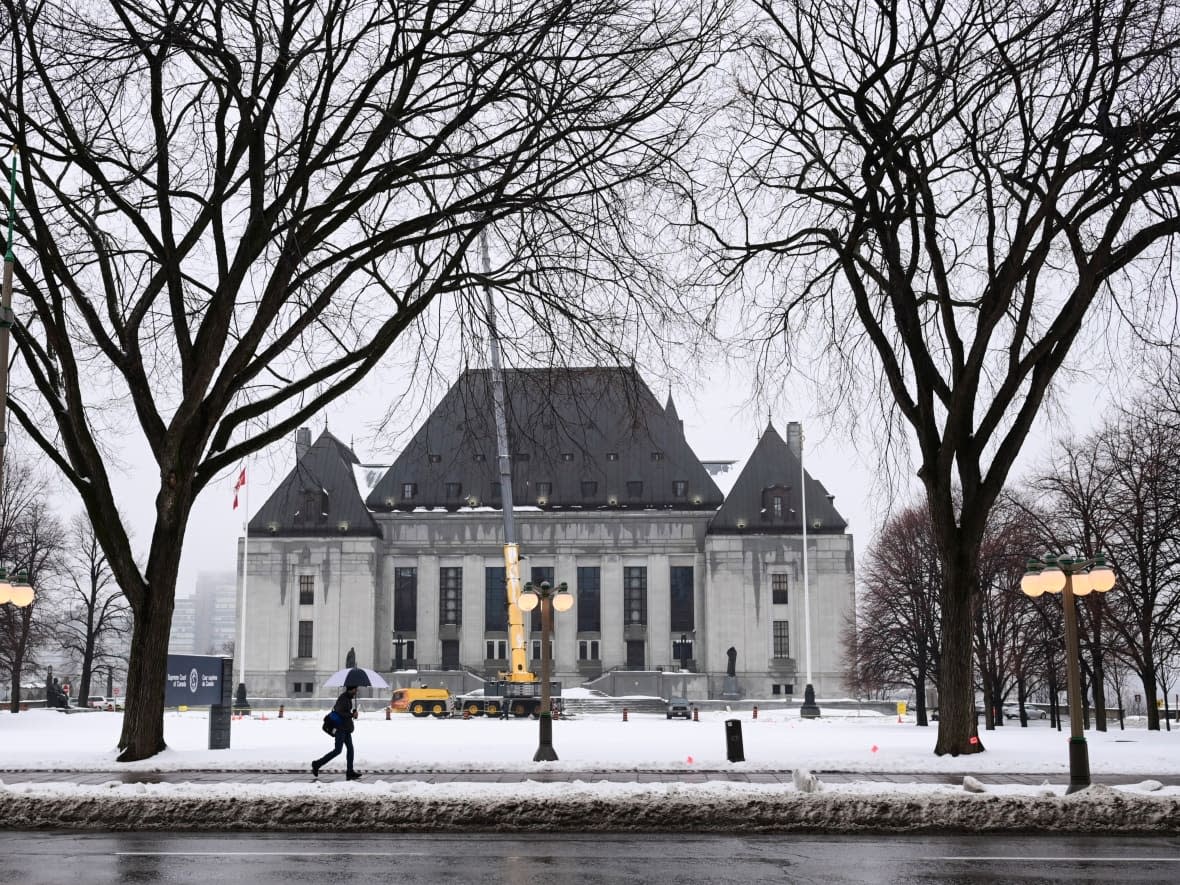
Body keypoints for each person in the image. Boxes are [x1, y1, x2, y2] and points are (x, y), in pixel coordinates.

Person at [312, 685, 362, 780]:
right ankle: (317, 764)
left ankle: (350, 771)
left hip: (346, 728)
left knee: (350, 749)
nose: (356, 691)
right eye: (355, 690)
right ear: (351, 690)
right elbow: (339, 712)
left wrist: (353, 712)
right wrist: (351, 714)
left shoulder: (348, 698)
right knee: (337, 750)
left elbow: (345, 711)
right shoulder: (343, 698)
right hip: (340, 729)